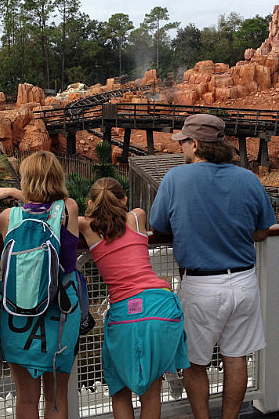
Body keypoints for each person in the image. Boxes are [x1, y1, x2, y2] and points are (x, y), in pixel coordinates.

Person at [149, 114, 276, 419]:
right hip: (244, 281)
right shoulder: (247, 178)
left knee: (194, 362)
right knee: (236, 357)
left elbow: (158, 224)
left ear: (195, 144)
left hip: (201, 285)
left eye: (184, 143)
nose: (182, 149)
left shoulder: (176, 178)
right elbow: (262, 230)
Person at [78, 177, 189, 419]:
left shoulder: (86, 226)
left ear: (90, 203)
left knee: (119, 389)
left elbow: (61, 214)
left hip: (124, 315)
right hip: (160, 305)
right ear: (124, 199)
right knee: (151, 390)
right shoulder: (137, 216)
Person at [0, 151, 81, 419]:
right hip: (60, 313)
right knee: (56, 399)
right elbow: (50, 205)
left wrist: (15, 195)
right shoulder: (68, 209)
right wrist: (20, 192)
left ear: (26, 181)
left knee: (26, 399)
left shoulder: (8, 217)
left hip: (18, 313)